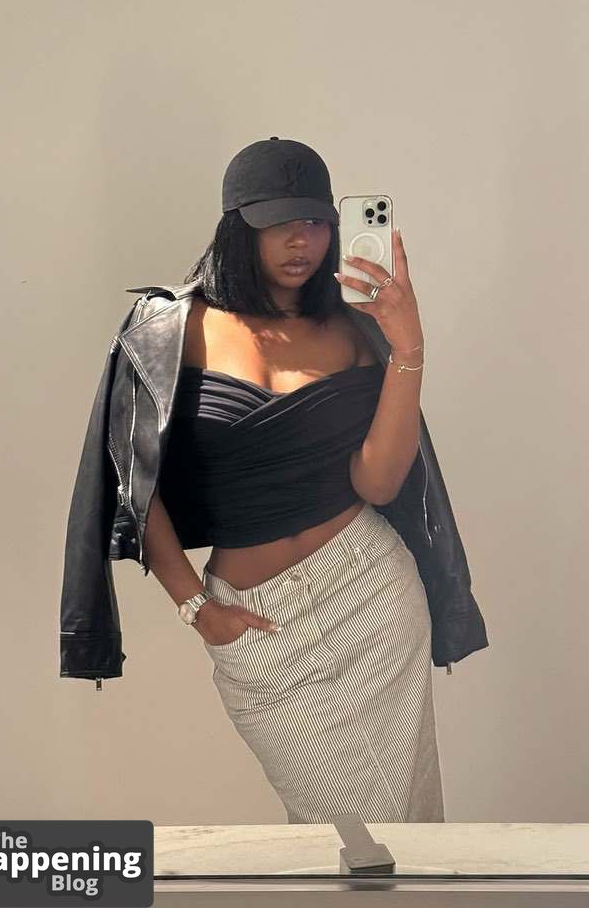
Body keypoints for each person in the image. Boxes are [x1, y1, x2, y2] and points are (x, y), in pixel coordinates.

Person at [148, 136, 445, 824]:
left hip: (369, 593)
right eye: (277, 222)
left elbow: (379, 483)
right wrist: (195, 607)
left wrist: (408, 345)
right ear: (237, 227)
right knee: (330, 832)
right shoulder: (174, 330)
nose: (300, 240)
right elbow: (135, 488)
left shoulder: (351, 329)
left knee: (404, 824)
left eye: (314, 221)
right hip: (261, 624)